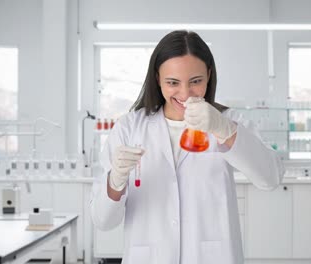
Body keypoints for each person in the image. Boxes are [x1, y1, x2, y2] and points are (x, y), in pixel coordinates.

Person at [90, 30, 285, 264]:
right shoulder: (130, 128)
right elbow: (103, 221)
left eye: (196, 81)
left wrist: (225, 130)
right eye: (173, 82)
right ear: (157, 79)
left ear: (209, 75)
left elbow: (270, 178)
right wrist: (115, 181)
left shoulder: (228, 121)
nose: (185, 93)